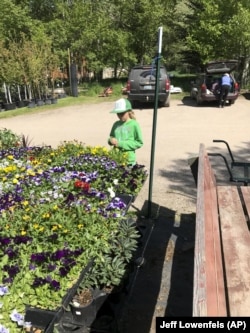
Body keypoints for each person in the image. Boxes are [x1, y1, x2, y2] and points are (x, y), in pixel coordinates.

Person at [108, 98, 143, 166]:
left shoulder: (134, 124)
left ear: (129, 111)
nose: (120, 115)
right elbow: (111, 136)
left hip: (129, 160)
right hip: (116, 159)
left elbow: (139, 142)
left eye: (122, 113)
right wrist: (110, 140)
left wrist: (120, 144)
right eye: (118, 113)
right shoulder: (116, 124)